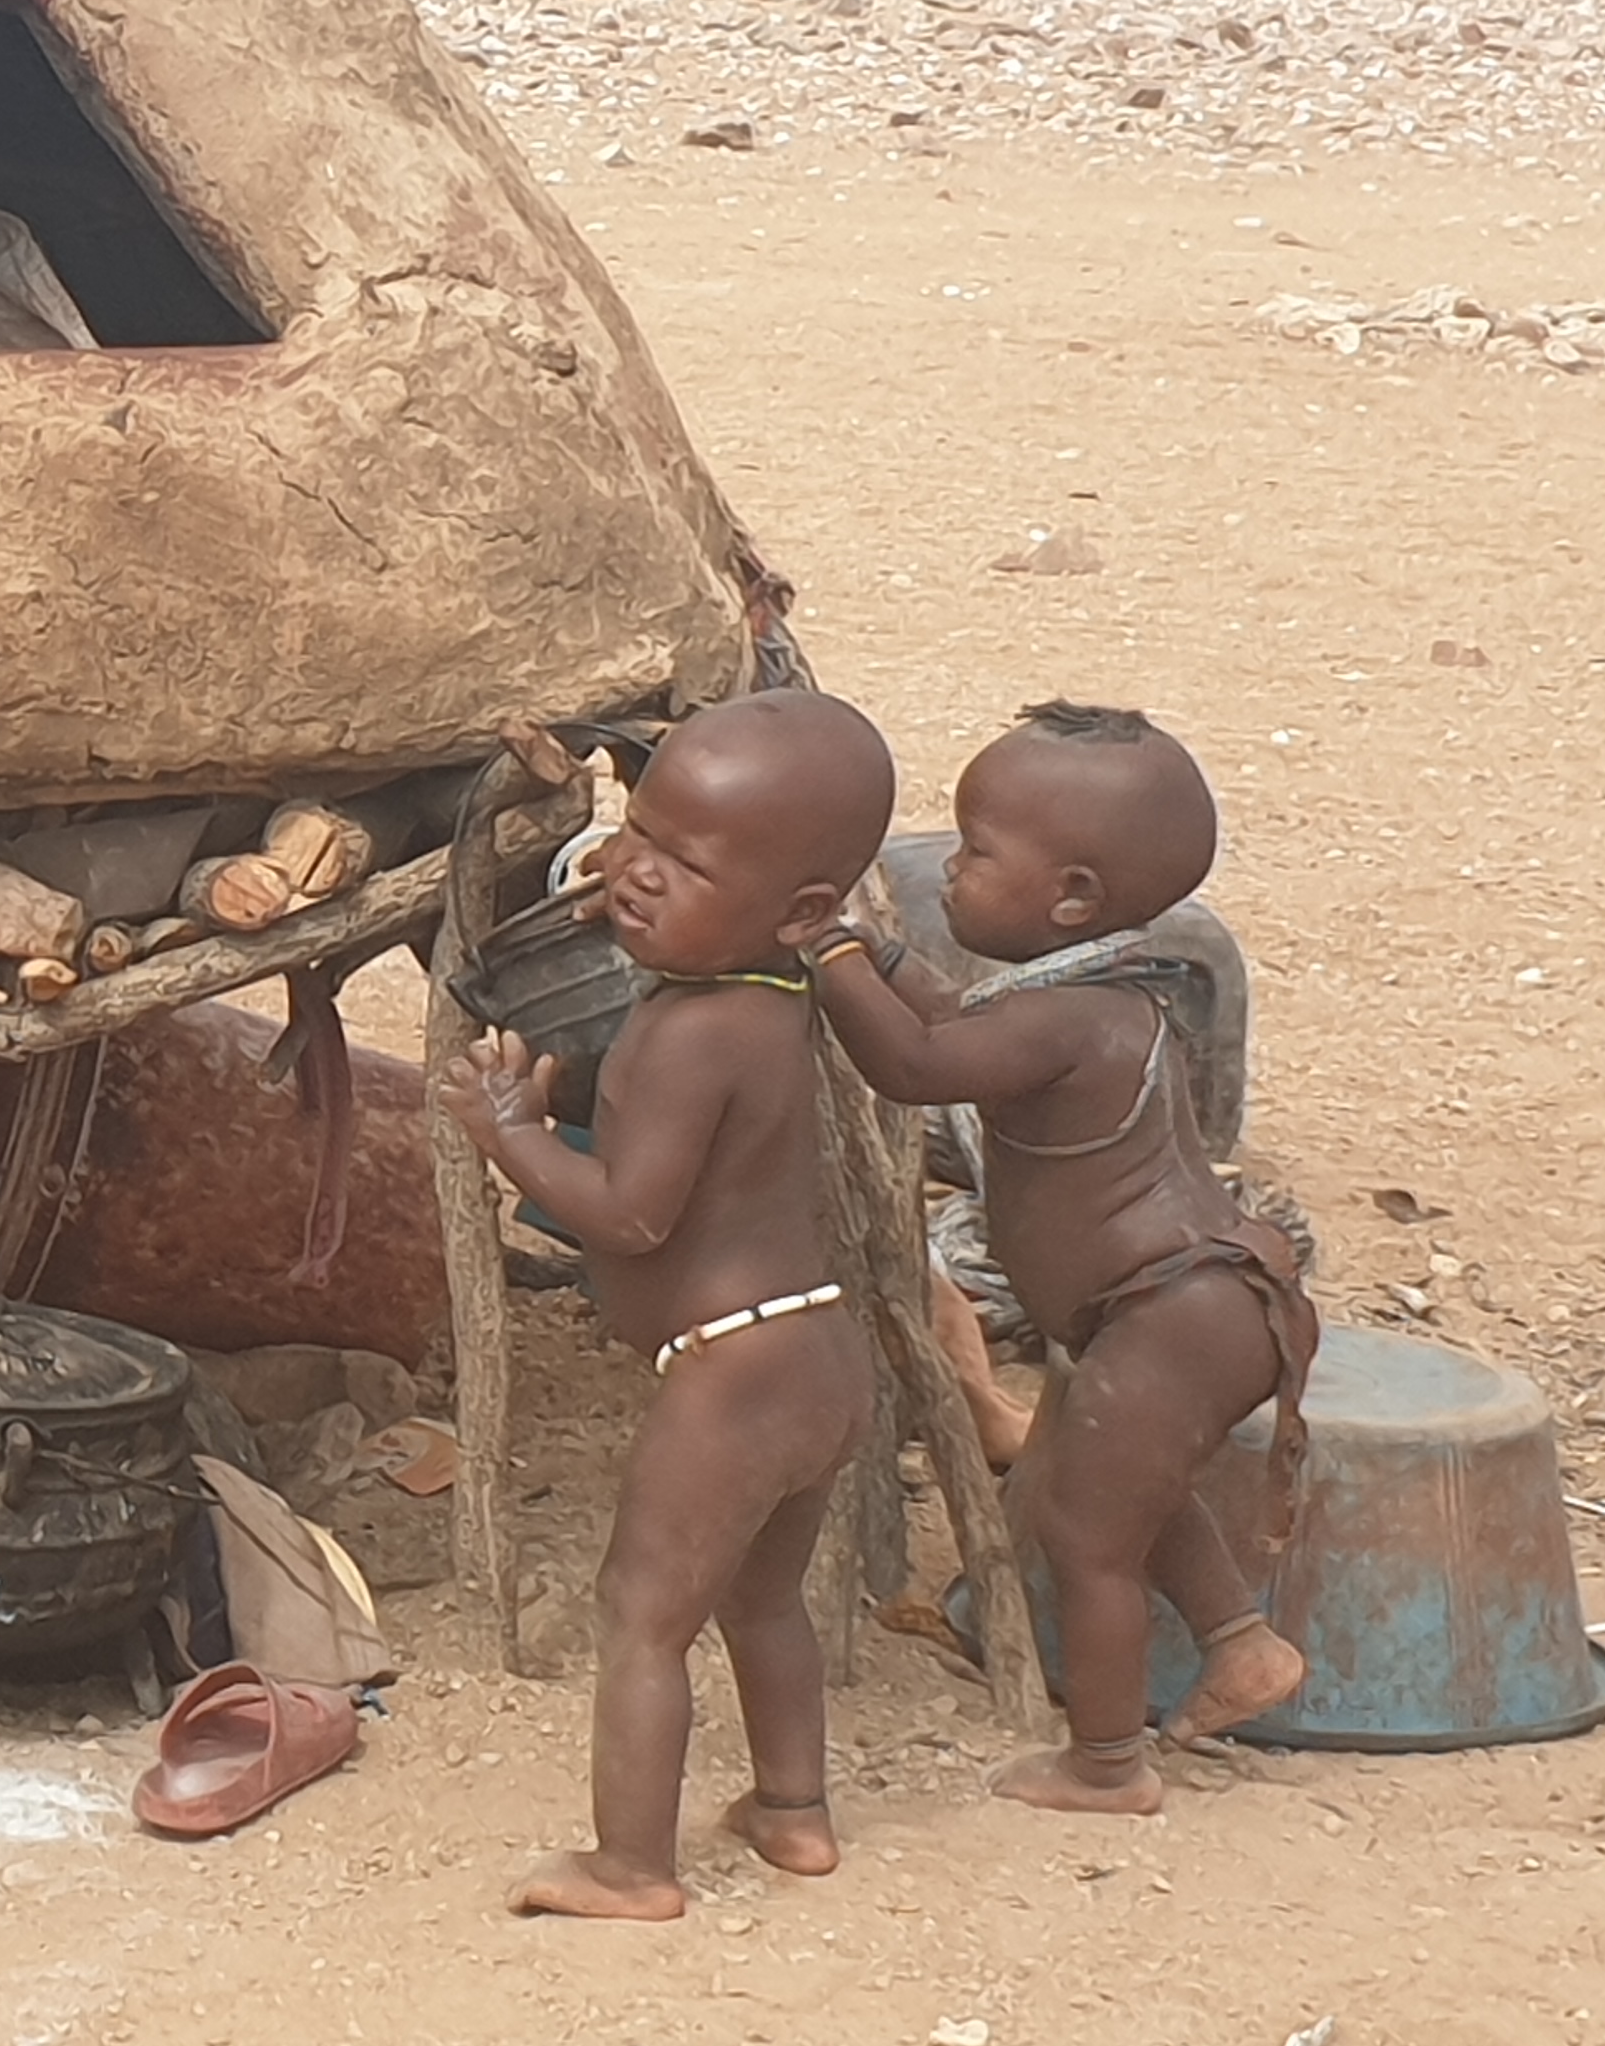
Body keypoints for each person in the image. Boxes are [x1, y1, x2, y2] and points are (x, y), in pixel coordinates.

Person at [798, 703, 1314, 1814]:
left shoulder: (1078, 1021)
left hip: (1170, 1314)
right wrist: (886, 952)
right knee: (1129, 1486)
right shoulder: (1086, 997)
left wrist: (827, 950)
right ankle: (1240, 1642)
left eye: (977, 852)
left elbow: (919, 1063)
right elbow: (964, 1027)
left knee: (1083, 1530)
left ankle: (1107, 1762)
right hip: (1183, 1307)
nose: (948, 874)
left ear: (1073, 897)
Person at [438, 690, 898, 1920]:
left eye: (682, 865)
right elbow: (681, 911)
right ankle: (793, 1813)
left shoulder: (693, 1035)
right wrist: (661, 889)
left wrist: (510, 1133)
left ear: (799, 911)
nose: (633, 877)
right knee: (762, 1597)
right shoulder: (766, 990)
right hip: (816, 1355)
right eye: (638, 835)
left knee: (641, 1615)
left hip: (731, 1374)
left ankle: (631, 1865)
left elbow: (631, 1215)